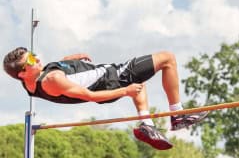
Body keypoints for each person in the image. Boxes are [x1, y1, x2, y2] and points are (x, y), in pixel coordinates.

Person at [3, 47, 208, 150]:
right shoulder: (52, 80)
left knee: (141, 83)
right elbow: (90, 96)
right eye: (30, 60)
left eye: (33, 54)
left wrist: (71, 61)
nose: (36, 58)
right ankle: (177, 114)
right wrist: (124, 91)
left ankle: (147, 124)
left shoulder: (29, 83)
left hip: (106, 78)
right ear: (21, 73)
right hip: (111, 78)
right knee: (167, 58)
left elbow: (59, 80)